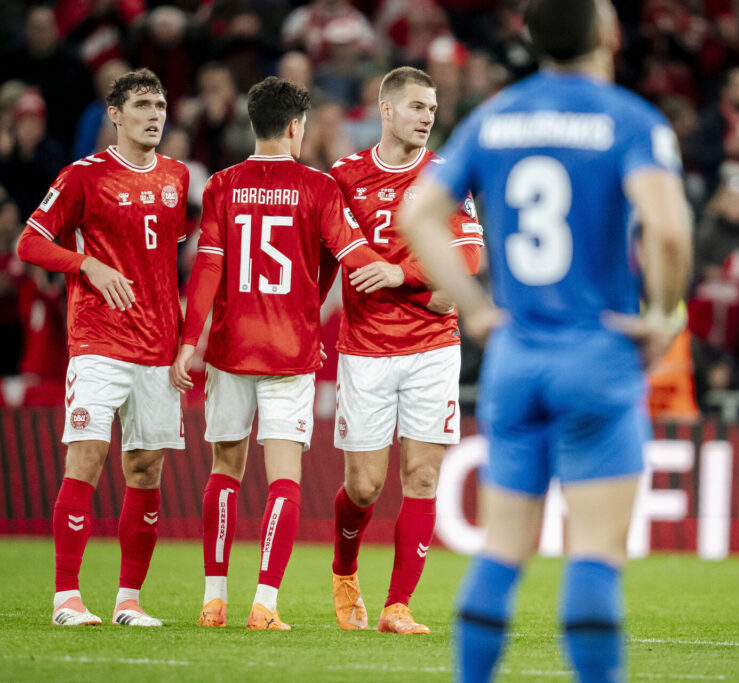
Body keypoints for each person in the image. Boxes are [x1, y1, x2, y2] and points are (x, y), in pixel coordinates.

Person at [398, 0, 692, 679]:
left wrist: (475, 310)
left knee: (502, 548)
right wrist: (663, 314)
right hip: (596, 352)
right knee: (592, 549)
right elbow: (670, 231)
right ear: (607, 34)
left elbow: (420, 213)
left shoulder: (496, 117)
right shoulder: (628, 119)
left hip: (515, 355)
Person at [168, 77, 398, 630]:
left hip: (228, 348)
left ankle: (214, 600)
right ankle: (265, 605)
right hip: (290, 351)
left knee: (224, 470)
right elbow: (354, 255)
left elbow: (208, 267)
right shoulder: (318, 189)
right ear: (296, 126)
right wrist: (408, 265)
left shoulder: (222, 185)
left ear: (254, 123)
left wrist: (188, 340)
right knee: (284, 481)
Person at [16, 69, 188, 627]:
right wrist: (86, 262)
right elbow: (29, 242)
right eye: (142, 104)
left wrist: (185, 338)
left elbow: (166, 261)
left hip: (159, 347)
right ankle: (67, 598)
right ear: (114, 115)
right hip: (98, 340)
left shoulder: (177, 177)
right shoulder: (81, 177)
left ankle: (128, 601)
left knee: (145, 471)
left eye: (160, 104)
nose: (154, 114)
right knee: (85, 461)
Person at [326, 65, 484, 636]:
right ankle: (345, 571)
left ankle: (398, 606)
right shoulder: (343, 176)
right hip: (365, 347)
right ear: (386, 109)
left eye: (433, 109)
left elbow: (468, 253)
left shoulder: (445, 175)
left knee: (421, 476)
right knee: (365, 485)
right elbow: (327, 255)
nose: (427, 118)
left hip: (432, 347)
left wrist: (402, 272)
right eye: (417, 107)